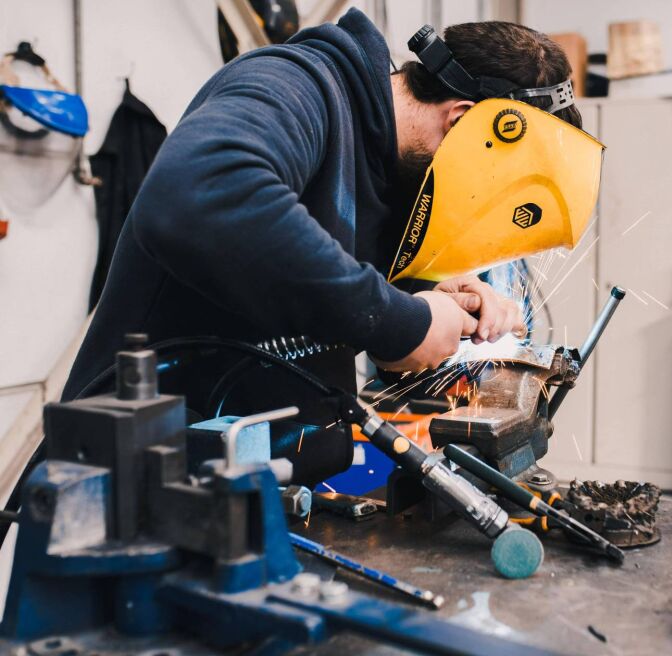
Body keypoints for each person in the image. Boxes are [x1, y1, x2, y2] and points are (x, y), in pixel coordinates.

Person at [58, 9, 586, 484]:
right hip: (137, 489)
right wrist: (400, 322)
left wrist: (426, 292)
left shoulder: (392, 172)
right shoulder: (298, 86)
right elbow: (200, 193)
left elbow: (325, 276)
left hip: (263, 489)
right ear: (463, 119)